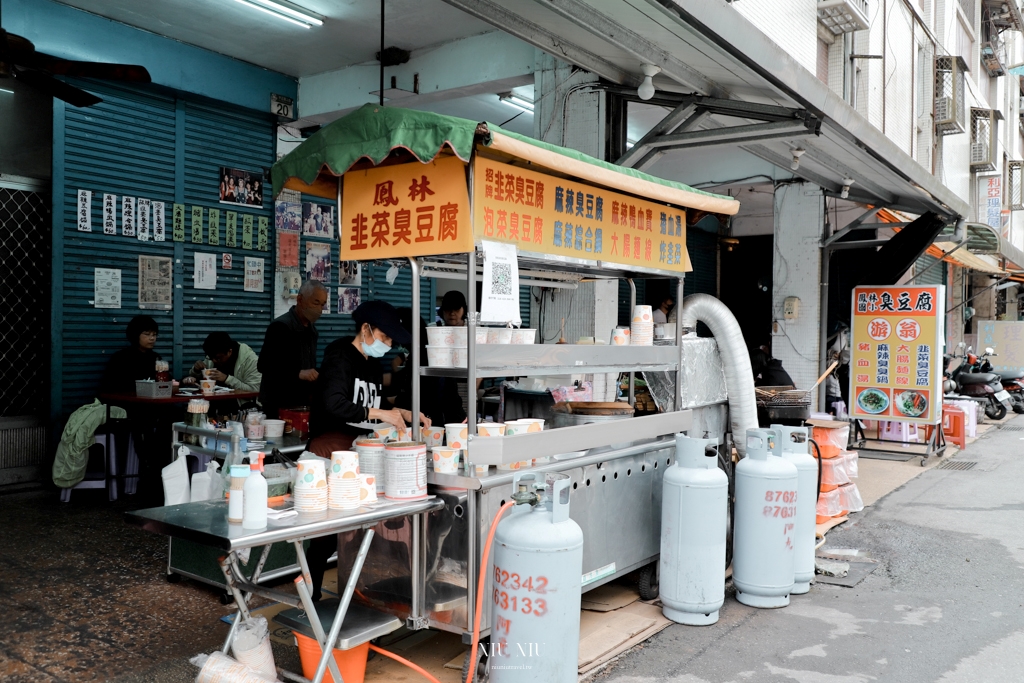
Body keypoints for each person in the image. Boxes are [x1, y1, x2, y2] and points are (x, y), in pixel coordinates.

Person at [306, 300, 431, 601]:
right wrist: (380, 414)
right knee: (324, 536)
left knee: (355, 532)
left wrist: (404, 412)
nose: (388, 345)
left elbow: (374, 403)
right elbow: (334, 404)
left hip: (359, 453)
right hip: (330, 453)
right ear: (365, 329)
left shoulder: (372, 364)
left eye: (391, 340)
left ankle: (358, 597)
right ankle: (310, 598)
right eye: (385, 337)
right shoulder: (340, 356)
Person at [257, 280, 326, 418]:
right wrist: (298, 373)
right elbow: (264, 365)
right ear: (300, 299)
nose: (319, 309)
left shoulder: (312, 331)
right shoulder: (280, 327)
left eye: (322, 305)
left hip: (302, 403)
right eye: (315, 303)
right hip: (278, 404)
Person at [390, 307, 466, 426]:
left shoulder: (423, 354)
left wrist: (392, 401)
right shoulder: (424, 349)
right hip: (444, 416)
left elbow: (421, 393)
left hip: (437, 420)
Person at [100, 315, 162, 394]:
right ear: (135, 335)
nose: (152, 338)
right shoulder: (121, 358)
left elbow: (166, 381)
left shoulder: (155, 357)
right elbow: (113, 386)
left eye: (154, 334)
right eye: (147, 334)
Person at [187, 332, 262, 393]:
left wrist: (227, 379)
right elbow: (196, 378)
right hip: (213, 404)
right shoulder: (213, 355)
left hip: (240, 406)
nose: (214, 361)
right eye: (211, 357)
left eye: (218, 358)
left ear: (229, 351)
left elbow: (256, 389)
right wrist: (196, 370)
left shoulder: (250, 361)